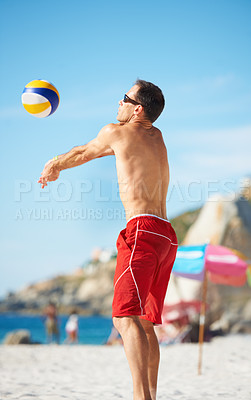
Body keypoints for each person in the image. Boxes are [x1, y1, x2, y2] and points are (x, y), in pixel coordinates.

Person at [38, 79, 178, 400]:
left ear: (137, 108)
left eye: (124, 98)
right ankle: (151, 396)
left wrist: (53, 165)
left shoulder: (116, 132)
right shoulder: (157, 137)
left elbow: (84, 151)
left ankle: (141, 398)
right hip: (165, 235)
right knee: (144, 322)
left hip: (141, 228)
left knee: (123, 317)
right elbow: (116, 152)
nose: (119, 103)